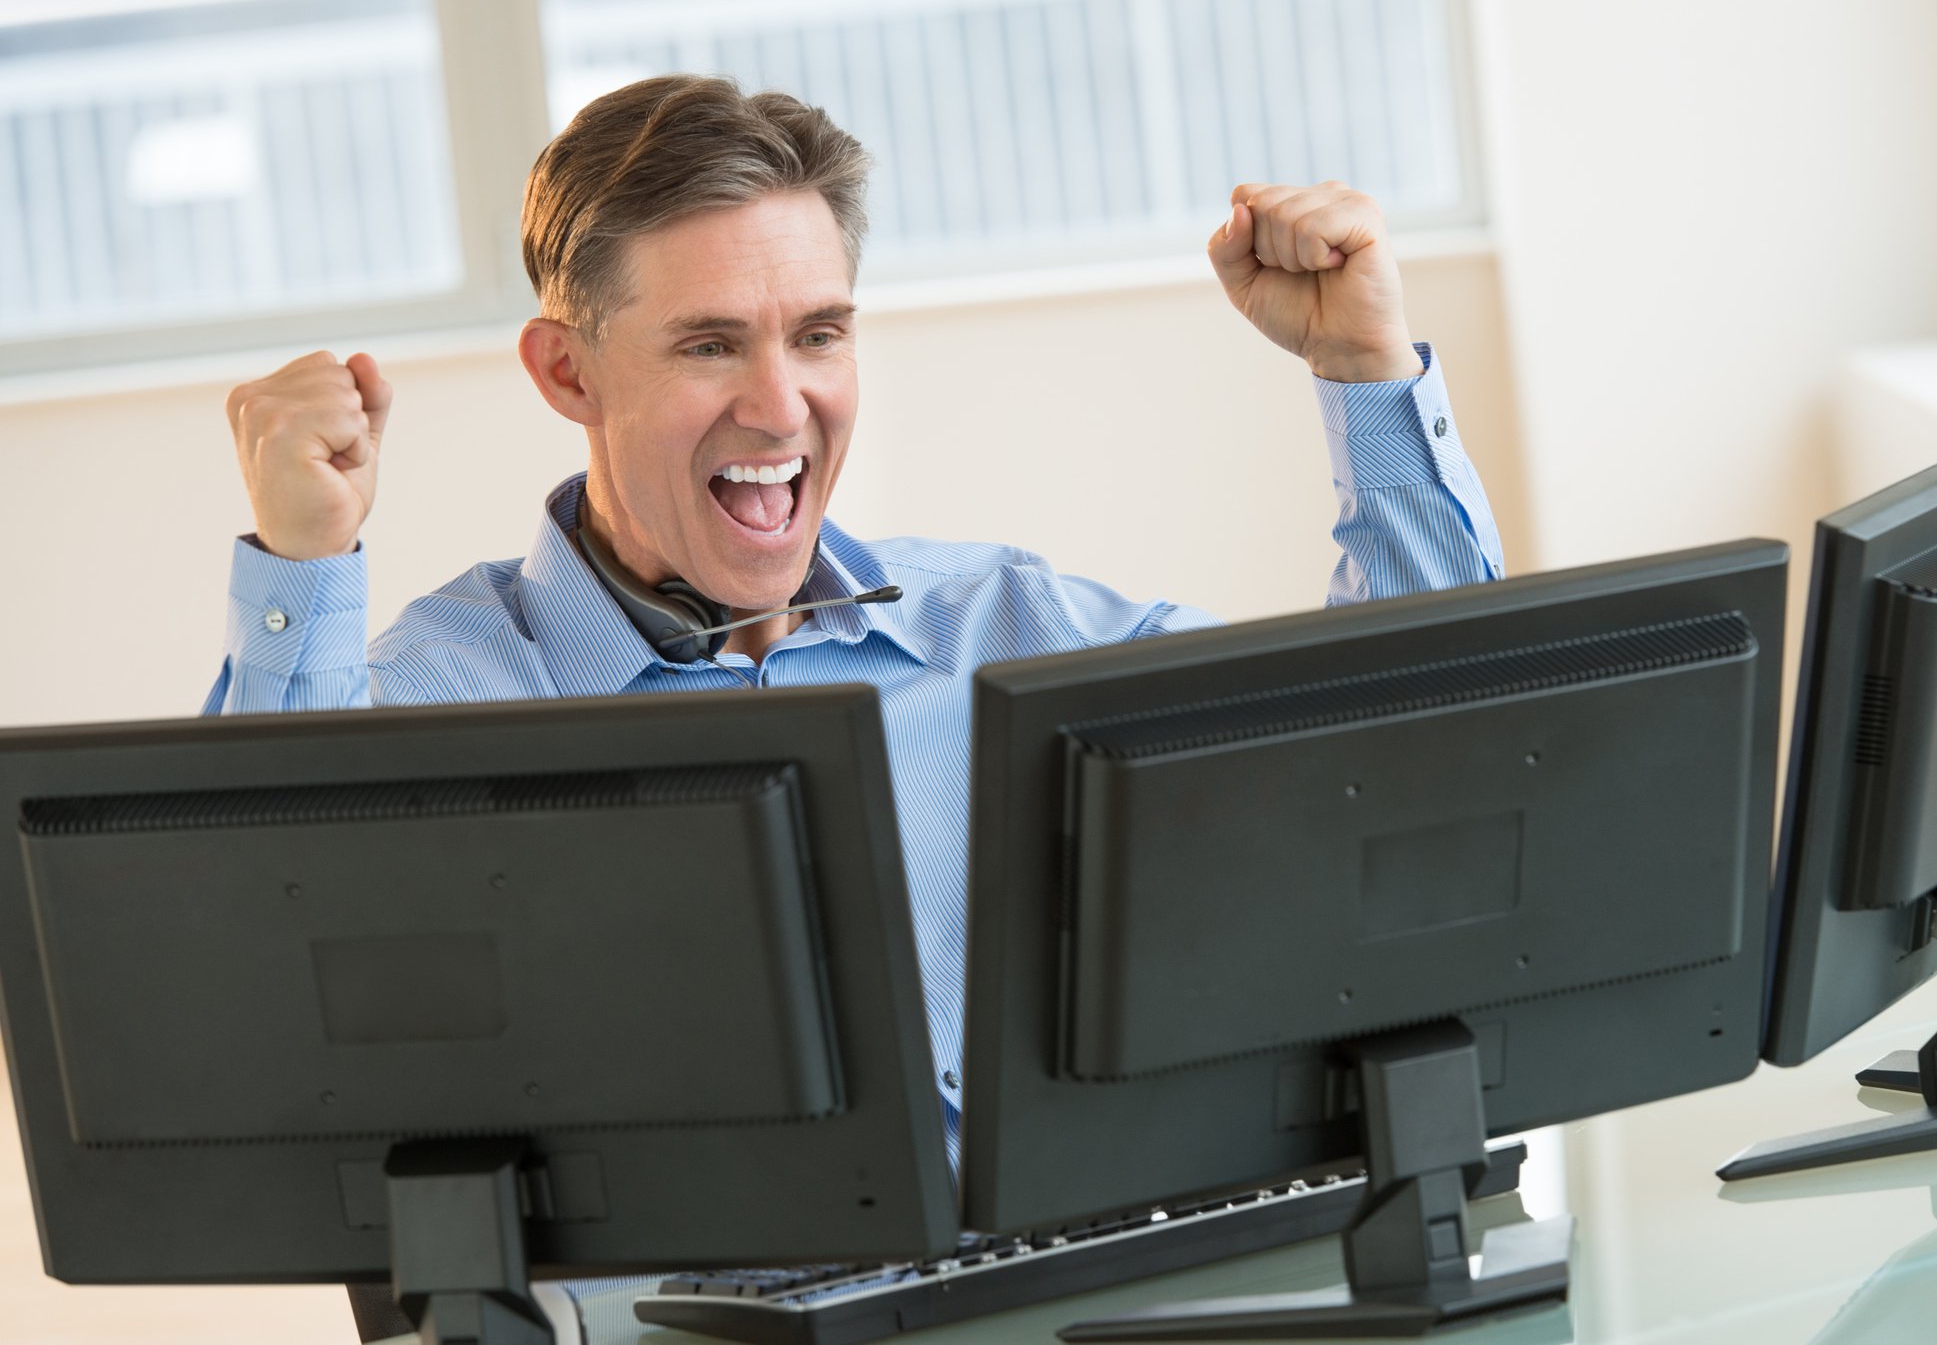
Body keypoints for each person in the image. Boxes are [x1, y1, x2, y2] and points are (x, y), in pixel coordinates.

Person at [210, 68, 1502, 1220]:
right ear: (569, 374)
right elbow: (256, 976)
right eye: (710, 343)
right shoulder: (440, 695)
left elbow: (1393, 749)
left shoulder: (1005, 628)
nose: (782, 408)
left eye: (819, 335)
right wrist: (304, 563)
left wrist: (1367, 372)